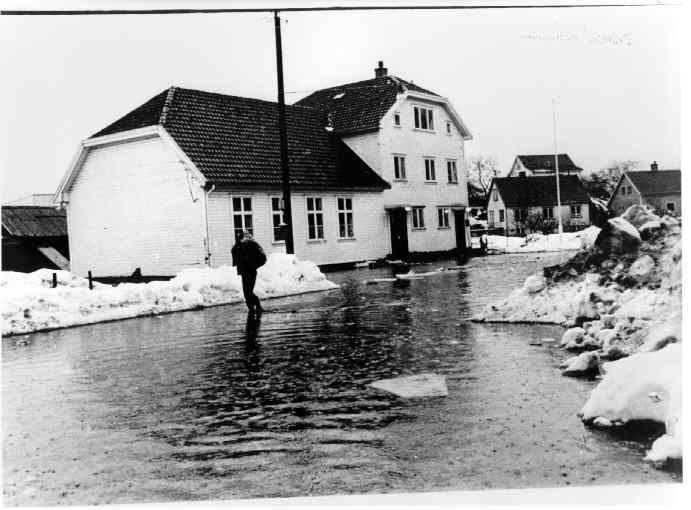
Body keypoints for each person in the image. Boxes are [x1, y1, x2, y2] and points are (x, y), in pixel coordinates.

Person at [231, 230, 267, 316]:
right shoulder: (240, 246)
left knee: (248, 292)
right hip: (245, 272)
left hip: (250, 272)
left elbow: (263, 257)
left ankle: (256, 307)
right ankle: (252, 308)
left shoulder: (251, 245)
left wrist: (253, 265)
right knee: (247, 292)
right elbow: (234, 253)